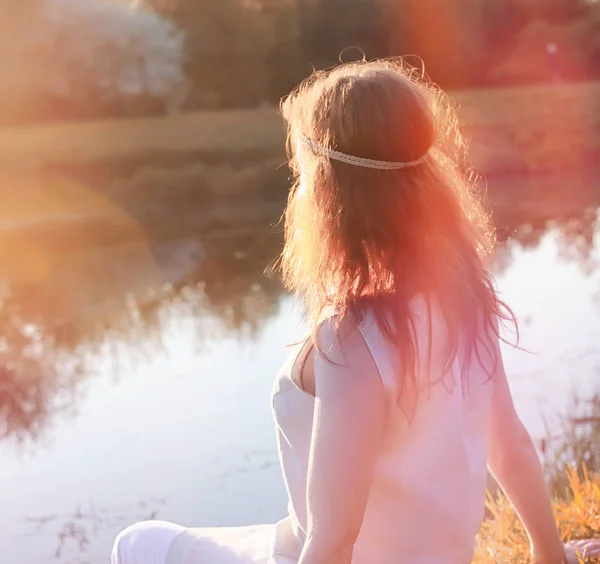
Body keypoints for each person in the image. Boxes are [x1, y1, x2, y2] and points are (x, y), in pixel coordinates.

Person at [112, 60, 600, 564]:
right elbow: (511, 445)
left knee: (136, 544)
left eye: (302, 174)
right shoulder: (463, 298)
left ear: (328, 196)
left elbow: (334, 540)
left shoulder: (353, 341)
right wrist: (549, 551)